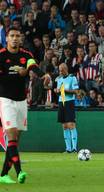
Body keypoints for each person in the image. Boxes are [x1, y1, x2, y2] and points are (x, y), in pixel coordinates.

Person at [0, 27, 39, 184]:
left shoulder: (26, 54)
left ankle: (3, 174)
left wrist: (44, 75)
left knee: (15, 141)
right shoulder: (1, 56)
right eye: (12, 36)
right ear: (7, 38)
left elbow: (33, 66)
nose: (15, 38)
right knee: (11, 136)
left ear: (21, 38)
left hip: (22, 101)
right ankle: (19, 172)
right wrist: (18, 73)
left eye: (17, 36)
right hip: (5, 100)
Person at [55, 63, 79, 153]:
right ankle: (68, 148)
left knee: (71, 125)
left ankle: (74, 148)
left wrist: (64, 90)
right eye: (59, 70)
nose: (60, 72)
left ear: (66, 69)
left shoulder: (72, 78)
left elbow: (76, 91)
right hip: (61, 102)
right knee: (64, 126)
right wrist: (57, 91)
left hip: (69, 102)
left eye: (62, 70)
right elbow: (58, 92)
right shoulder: (59, 79)